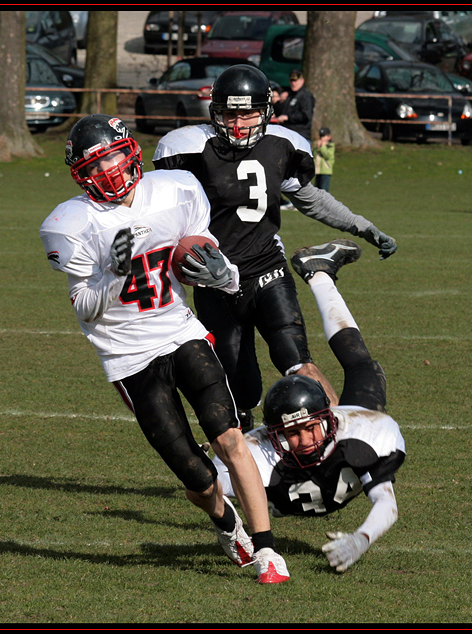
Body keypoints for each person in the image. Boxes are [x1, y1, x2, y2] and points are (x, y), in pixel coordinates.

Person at [40, 114, 290, 584]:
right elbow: (87, 308)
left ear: (131, 152)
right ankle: (225, 523)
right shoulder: (72, 224)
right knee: (197, 480)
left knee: (230, 437)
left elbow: (203, 249)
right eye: (97, 166)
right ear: (81, 176)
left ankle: (268, 550)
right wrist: (114, 274)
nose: (110, 171)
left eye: (115, 157)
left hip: (180, 331)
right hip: (128, 354)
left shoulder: (176, 188)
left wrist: (225, 274)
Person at [152, 64, 397, 433]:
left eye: (247, 113)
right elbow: (157, 214)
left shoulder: (282, 144)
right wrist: (174, 263)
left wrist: (360, 225)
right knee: (239, 390)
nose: (238, 123)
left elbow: (309, 198)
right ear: (215, 112)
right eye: (230, 113)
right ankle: (252, 466)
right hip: (215, 280)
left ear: (266, 110)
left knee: (298, 361)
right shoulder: (188, 150)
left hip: (267, 268)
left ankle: (341, 440)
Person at [207, 238, 405, 573]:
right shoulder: (258, 453)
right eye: (294, 432)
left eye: (311, 426)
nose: (307, 439)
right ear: (273, 433)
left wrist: (362, 537)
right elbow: (208, 489)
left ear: (328, 418)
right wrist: (231, 526)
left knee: (363, 367)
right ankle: (319, 273)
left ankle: (320, 274)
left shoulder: (361, 435)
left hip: (342, 429)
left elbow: (386, 503)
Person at [271, 68, 314, 142]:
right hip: (287, 134)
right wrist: (280, 101)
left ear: (302, 81)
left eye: (295, 81)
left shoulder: (306, 96)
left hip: (300, 136)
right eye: (291, 81)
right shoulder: (289, 95)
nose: (293, 83)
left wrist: (288, 117)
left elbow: (306, 116)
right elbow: (279, 112)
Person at [313, 127, 334, 192]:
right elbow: (313, 154)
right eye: (321, 136)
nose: (322, 138)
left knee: (324, 190)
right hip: (318, 170)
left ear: (329, 137)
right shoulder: (317, 145)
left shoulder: (330, 146)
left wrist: (323, 147)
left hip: (326, 171)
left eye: (324, 136)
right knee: (317, 190)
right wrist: (317, 147)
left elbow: (328, 156)